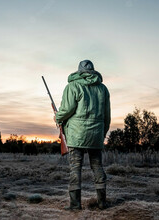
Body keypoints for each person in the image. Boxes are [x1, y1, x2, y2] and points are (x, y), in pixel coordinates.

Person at [54, 60, 111, 210]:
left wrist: (57, 118)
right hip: (96, 134)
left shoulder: (72, 86)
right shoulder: (103, 89)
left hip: (76, 135)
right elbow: (107, 116)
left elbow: (67, 110)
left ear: (79, 71)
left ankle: (75, 204)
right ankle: (102, 203)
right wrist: (102, 133)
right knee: (98, 167)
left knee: (75, 168)